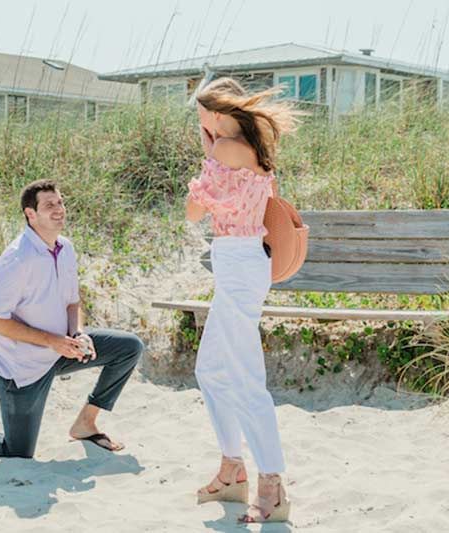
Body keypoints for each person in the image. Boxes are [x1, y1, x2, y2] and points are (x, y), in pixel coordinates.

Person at [0, 179, 144, 462]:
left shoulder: (65, 248)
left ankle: (85, 423)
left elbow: (72, 301)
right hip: (20, 368)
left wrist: (78, 333)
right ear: (30, 215)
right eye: (49, 206)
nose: (59, 210)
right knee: (17, 452)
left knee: (129, 348)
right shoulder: (18, 258)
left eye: (60, 203)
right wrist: (53, 341)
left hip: (60, 350)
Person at [186, 77, 299, 523]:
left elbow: (194, 212)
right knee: (211, 370)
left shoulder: (225, 150)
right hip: (241, 263)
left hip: (238, 266)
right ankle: (233, 470)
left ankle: (271, 482)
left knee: (245, 377)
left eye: (199, 114)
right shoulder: (242, 146)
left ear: (213, 113)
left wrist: (206, 146)